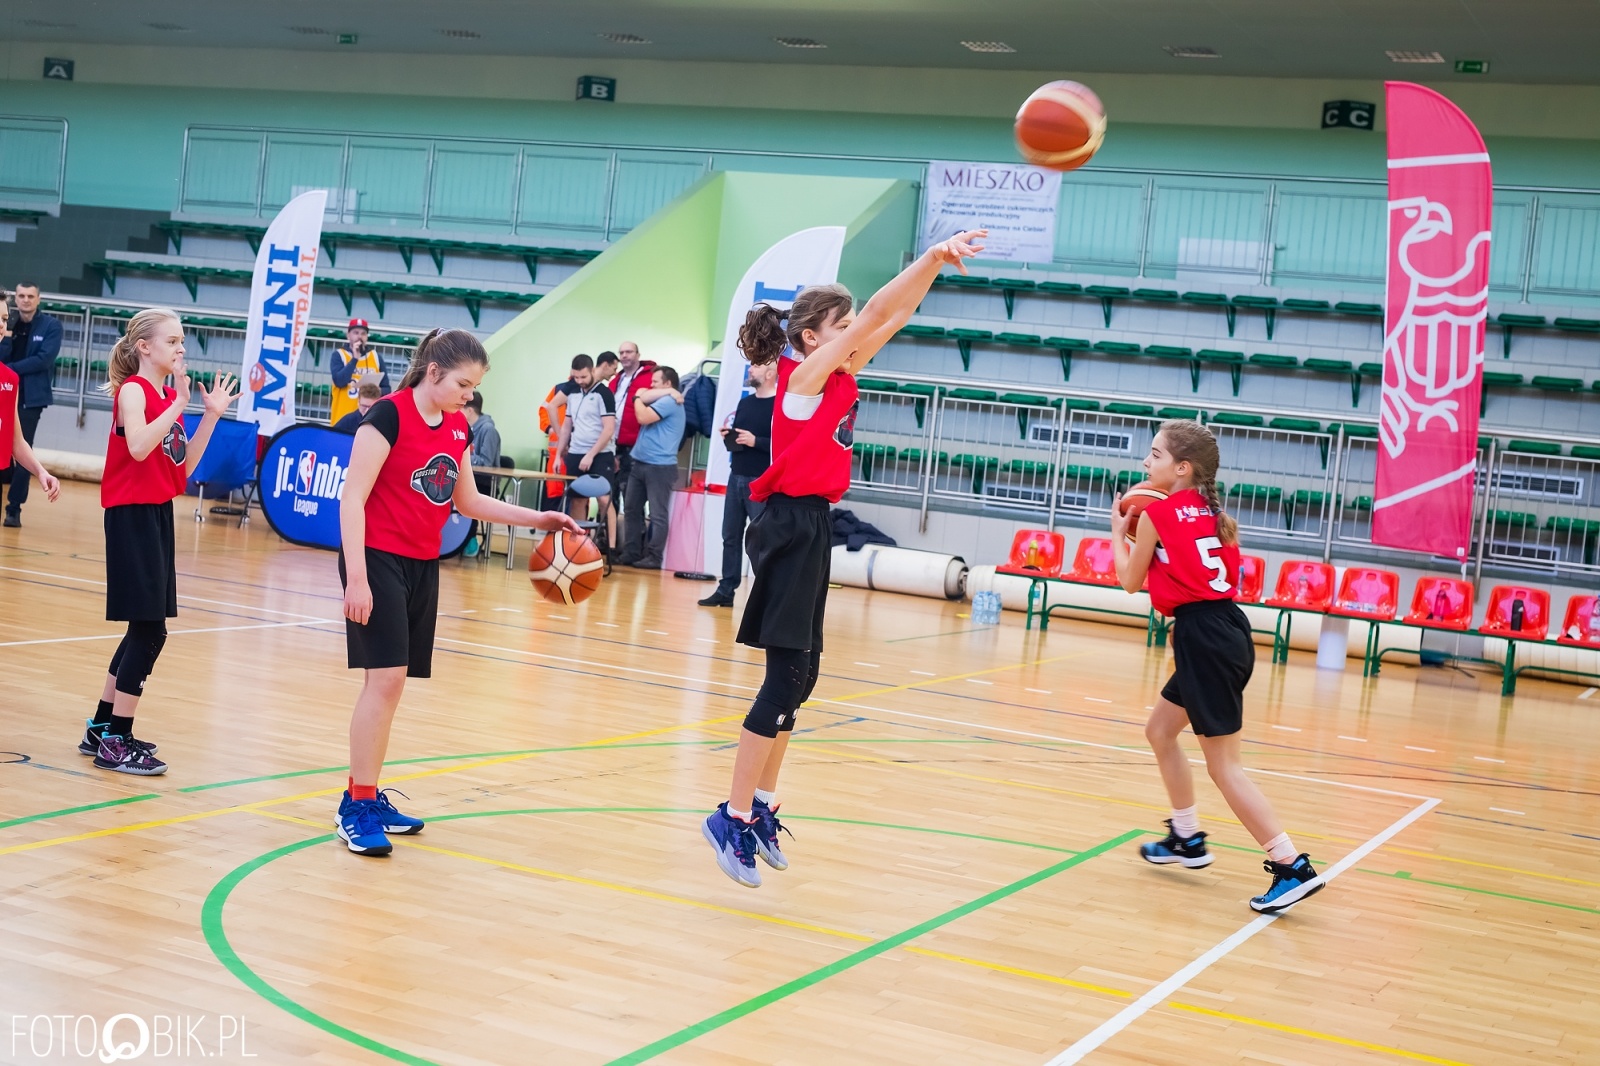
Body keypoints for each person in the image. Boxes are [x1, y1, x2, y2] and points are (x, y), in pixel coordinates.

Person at [701, 229, 987, 888]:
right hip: (786, 526)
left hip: (811, 523)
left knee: (803, 676)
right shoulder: (805, 377)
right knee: (784, 676)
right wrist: (933, 254)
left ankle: (763, 806)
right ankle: (732, 814)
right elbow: (886, 310)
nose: (859, 330)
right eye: (845, 323)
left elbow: (898, 314)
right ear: (812, 337)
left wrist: (934, 270)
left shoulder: (841, 375)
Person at [334, 328, 583, 856]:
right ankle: (356, 806)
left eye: (473, 388)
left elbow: (468, 502)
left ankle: (368, 794)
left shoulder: (454, 428)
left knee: (394, 685)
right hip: (376, 559)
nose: (468, 395)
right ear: (433, 373)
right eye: (463, 385)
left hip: (423, 564)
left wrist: (539, 516)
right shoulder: (387, 416)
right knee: (385, 681)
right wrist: (356, 576)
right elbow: (351, 499)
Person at [1110, 419, 1323, 914]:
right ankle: (1186, 836)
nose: (1147, 462)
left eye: (1156, 455)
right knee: (1160, 731)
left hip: (1203, 637)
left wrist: (1118, 533)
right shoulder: (1213, 510)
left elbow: (1128, 581)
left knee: (1224, 767)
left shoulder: (1160, 515)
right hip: (1225, 628)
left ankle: (1292, 865)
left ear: (1182, 468)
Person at [82, 309, 239, 775]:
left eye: (182, 341)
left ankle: (102, 728)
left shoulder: (168, 395)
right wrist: (176, 407)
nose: (181, 349)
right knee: (151, 630)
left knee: (142, 627)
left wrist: (208, 417)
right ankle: (118, 740)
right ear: (144, 347)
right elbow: (136, 446)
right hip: (130, 515)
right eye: (172, 341)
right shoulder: (135, 391)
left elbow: (181, 469)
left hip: (155, 513)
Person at [700, 359, 776, 607]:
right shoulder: (745, 403)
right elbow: (740, 441)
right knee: (730, 535)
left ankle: (764, 593)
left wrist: (756, 442)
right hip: (737, 475)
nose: (750, 369)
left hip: (760, 480)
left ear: (770, 373)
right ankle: (726, 590)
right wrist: (730, 438)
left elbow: (782, 445)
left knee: (760, 540)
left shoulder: (778, 406)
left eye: (756, 366)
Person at [0, 283, 63, 527]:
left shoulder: (9, 379)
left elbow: (16, 442)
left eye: (5, 318)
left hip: (32, 397)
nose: (2, 325)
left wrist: (41, 472)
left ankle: (14, 507)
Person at [618, 366, 684, 570]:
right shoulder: (665, 395)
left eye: (656, 382)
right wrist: (644, 395)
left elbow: (643, 417)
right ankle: (631, 551)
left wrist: (637, 399)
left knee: (657, 513)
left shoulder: (671, 401)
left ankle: (654, 557)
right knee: (631, 508)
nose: (651, 385)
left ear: (667, 384)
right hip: (640, 462)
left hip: (660, 467)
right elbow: (644, 394)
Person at [553, 354, 617, 545]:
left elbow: (609, 429)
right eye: (576, 377)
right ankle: (578, 542)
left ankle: (612, 546)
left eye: (583, 377)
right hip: (576, 452)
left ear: (592, 371)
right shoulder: (573, 392)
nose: (580, 381)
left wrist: (591, 455)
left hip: (600, 454)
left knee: (604, 499)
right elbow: (566, 426)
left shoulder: (603, 393)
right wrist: (558, 454)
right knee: (577, 499)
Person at [609, 341, 656, 513]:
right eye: (621, 353)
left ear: (638, 354)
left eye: (629, 352)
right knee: (608, 493)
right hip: (612, 443)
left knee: (632, 494)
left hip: (635, 445)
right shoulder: (616, 380)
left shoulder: (650, 377)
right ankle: (607, 537)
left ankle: (635, 538)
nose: (624, 356)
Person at [329, 318, 388, 426]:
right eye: (356, 333)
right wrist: (355, 358)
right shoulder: (339, 355)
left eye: (363, 333)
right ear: (348, 335)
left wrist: (374, 389)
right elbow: (340, 381)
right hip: (342, 418)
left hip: (369, 419)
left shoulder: (375, 357)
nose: (359, 337)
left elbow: (387, 389)